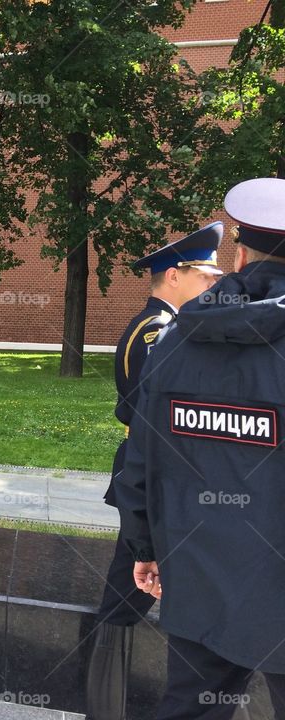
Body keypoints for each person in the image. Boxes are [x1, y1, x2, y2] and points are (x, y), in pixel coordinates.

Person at [116, 177, 285, 720]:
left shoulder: (176, 340)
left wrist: (144, 547)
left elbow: (140, 460)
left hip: (198, 572)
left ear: (240, 254)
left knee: (191, 708)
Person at [86, 223, 224, 720]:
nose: (214, 284)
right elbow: (150, 417)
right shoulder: (158, 331)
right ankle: (103, 707)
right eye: (205, 274)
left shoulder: (162, 326)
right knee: (124, 600)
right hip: (155, 482)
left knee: (128, 594)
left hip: (155, 482)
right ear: (174, 274)